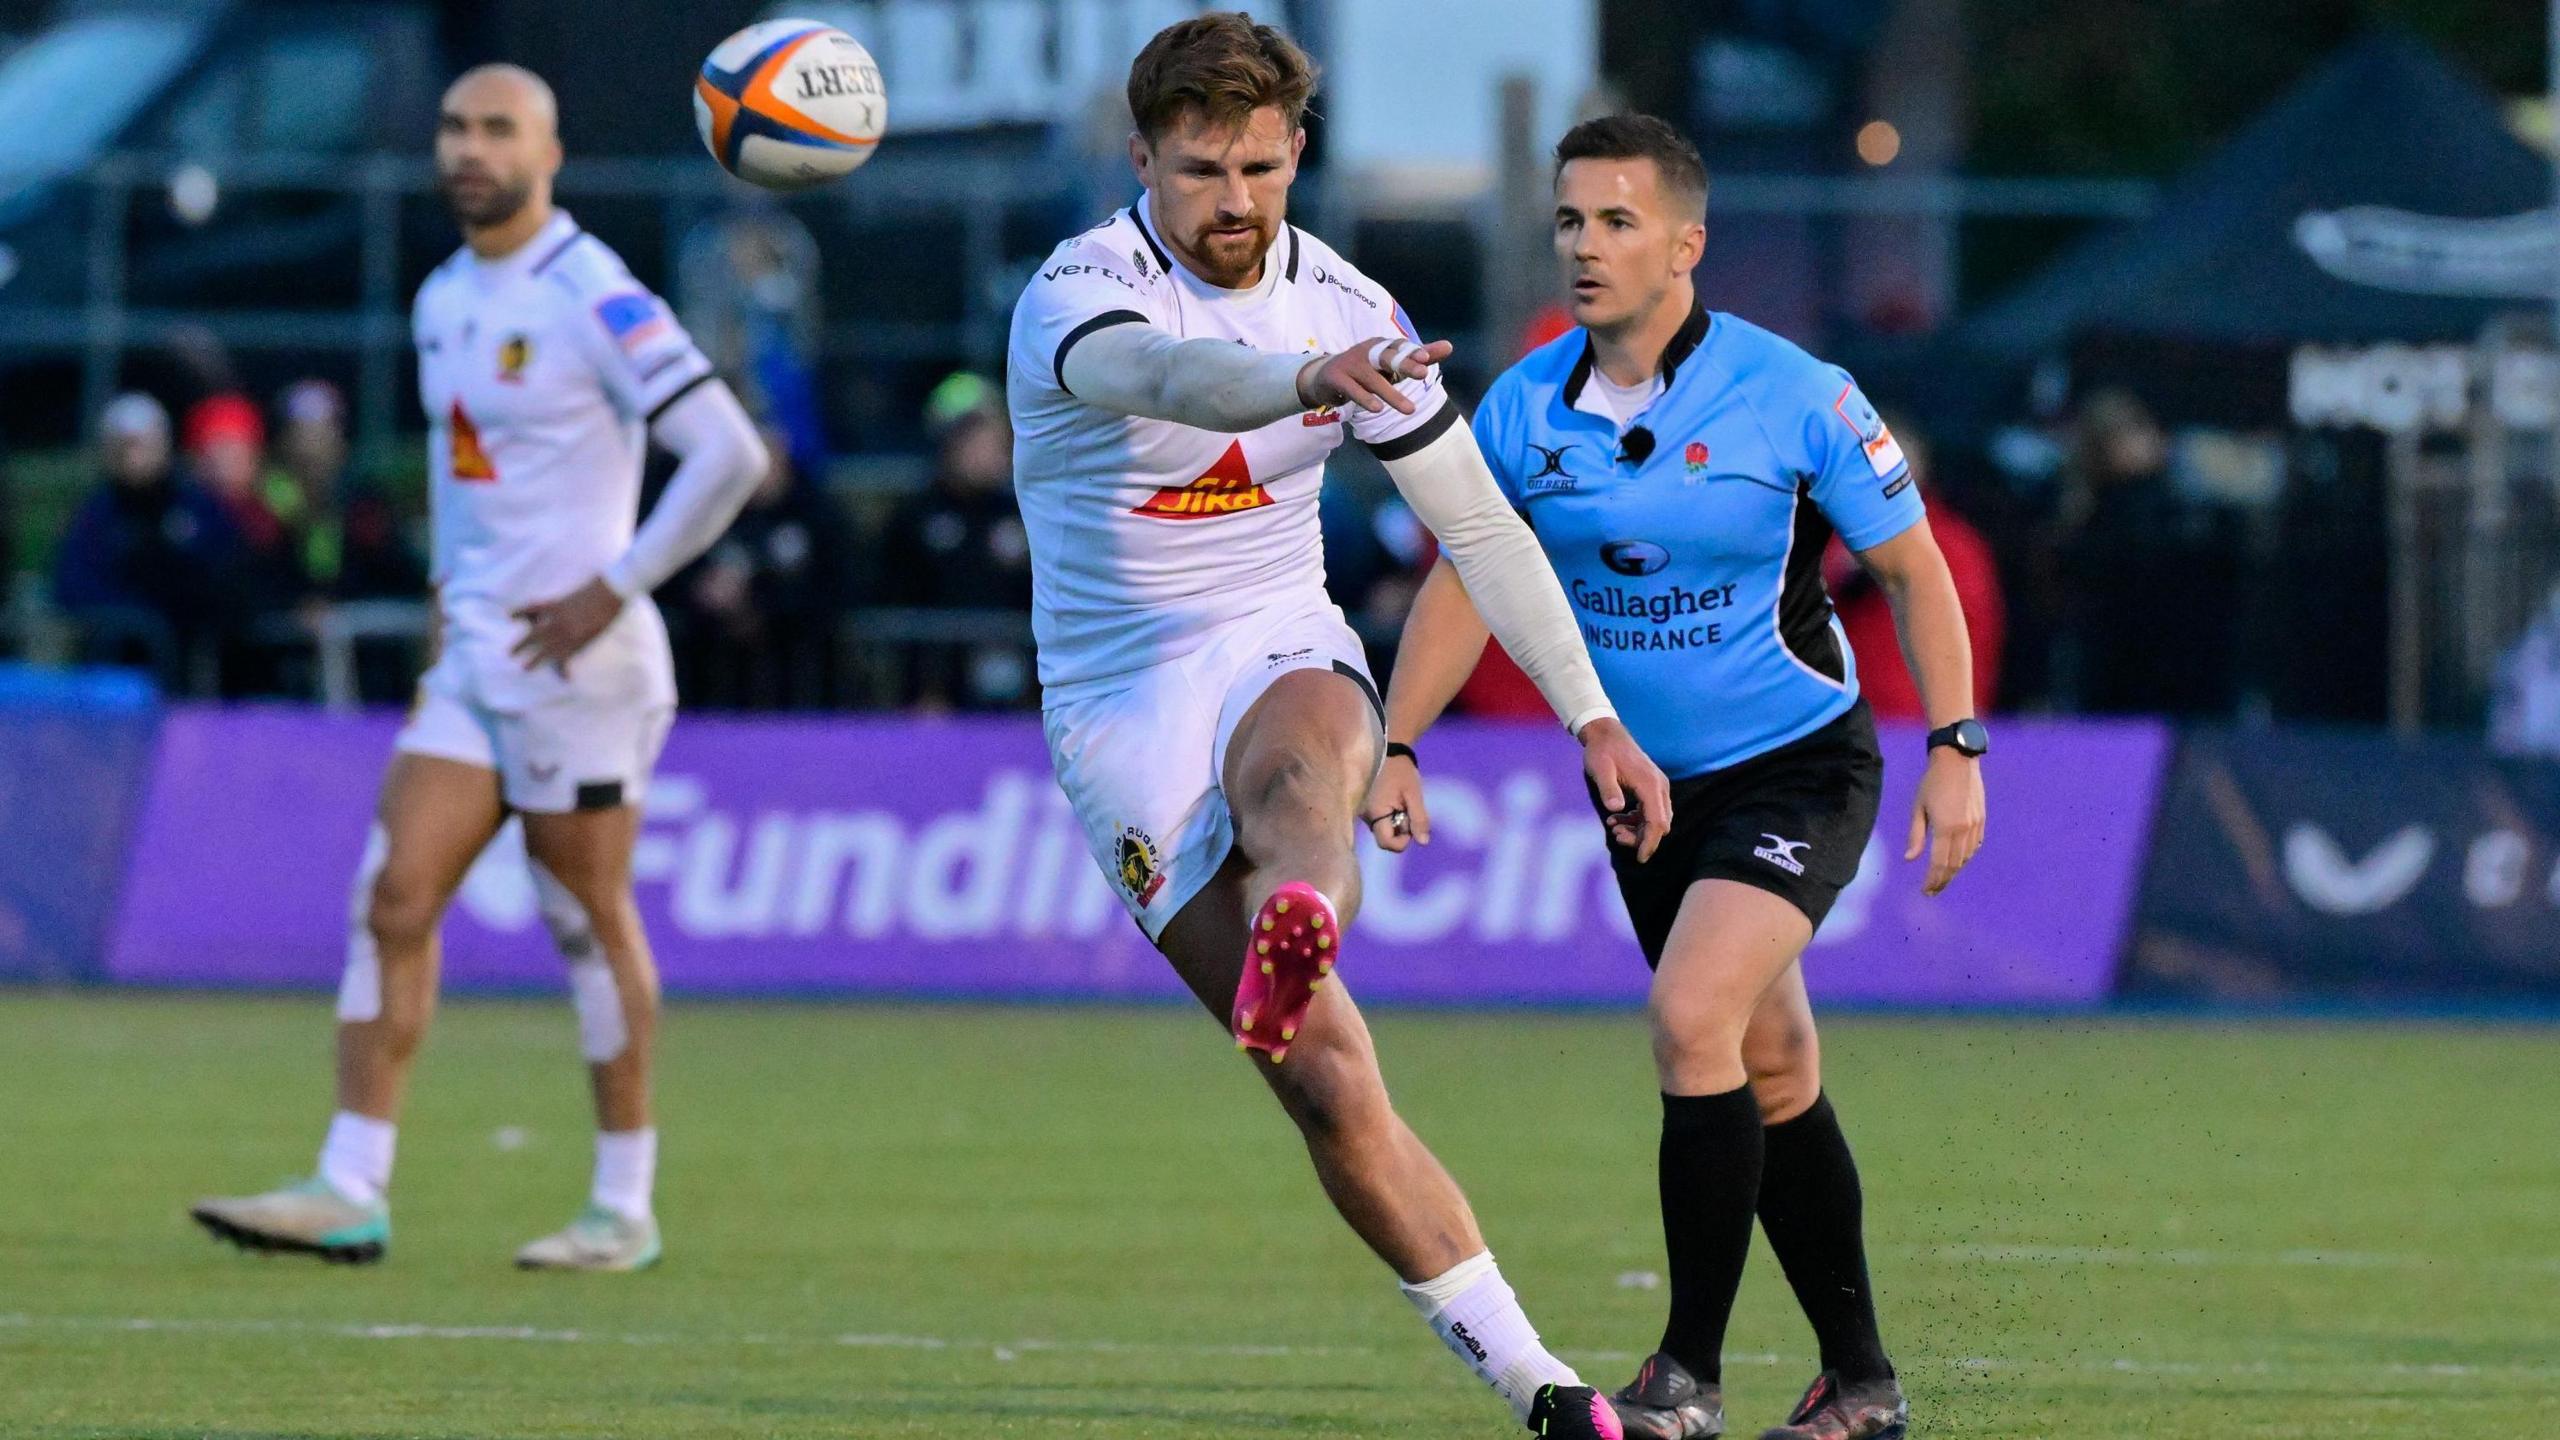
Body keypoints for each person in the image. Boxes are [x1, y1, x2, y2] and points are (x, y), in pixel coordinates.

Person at [1006, 16, 1669, 1438]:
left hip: (1277, 637)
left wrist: (1594, 718)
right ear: (1143, 161)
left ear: (1298, 151)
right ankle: (1531, 1376)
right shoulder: (1080, 290)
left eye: (1258, 166)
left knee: (1307, 772)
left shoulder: (1351, 305)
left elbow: (1480, 531)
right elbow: (1177, 385)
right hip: (1122, 703)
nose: (1233, 201)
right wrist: (1305, 385)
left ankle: (1295, 913)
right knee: (1328, 1087)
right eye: (1200, 171)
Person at [1368, 115, 1989, 1440]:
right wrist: (1400, 740)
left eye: (1618, 222)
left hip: (1799, 768)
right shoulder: (1528, 406)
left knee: (1690, 1019)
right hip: (1646, 791)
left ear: (1688, 244)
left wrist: (1955, 748)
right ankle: (1860, 1385)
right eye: (1571, 222)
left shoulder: (1798, 393)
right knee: (1770, 1062)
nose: (1587, 246)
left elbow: (1916, 571)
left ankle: (1682, 1381)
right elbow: (1468, 577)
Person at [189, 64, 768, 1273]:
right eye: (455, 126)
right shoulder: (446, 291)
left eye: (498, 129)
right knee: (393, 898)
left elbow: (725, 455)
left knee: (580, 915)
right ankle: (350, 1183)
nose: (470, 148)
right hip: (479, 659)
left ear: (547, 154)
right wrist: (453, 606)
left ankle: (623, 1204)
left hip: (585, 662)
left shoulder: (591, 291)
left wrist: (615, 585)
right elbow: (469, 482)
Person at [1824, 417, 2004, 720]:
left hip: (1919, 720)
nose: (1879, 475)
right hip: (1840, 723)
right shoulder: (1825, 539)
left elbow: (1975, 634)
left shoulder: (1953, 544)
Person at [53, 392, 244, 678]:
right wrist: (137, 617)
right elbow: (71, 585)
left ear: (163, 445)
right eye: (123, 447)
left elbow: (226, 574)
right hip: (112, 666)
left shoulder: (198, 507)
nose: (133, 457)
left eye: (142, 445)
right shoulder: (94, 515)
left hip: (190, 664)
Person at [876, 397, 1035, 709]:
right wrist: (922, 687)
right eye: (979, 445)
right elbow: (898, 598)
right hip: (938, 683)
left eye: (998, 446)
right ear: (953, 447)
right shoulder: (916, 514)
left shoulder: (1023, 514)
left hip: (1017, 675)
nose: (990, 456)